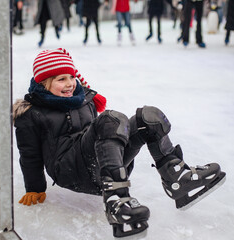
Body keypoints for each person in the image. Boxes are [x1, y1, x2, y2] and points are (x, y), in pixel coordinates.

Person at [13, 48, 226, 238]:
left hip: (100, 166)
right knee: (110, 119)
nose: (69, 83)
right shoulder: (32, 113)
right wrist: (35, 188)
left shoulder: (82, 97)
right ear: (44, 82)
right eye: (60, 79)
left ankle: (176, 178)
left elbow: (101, 134)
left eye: (71, 76)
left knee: (148, 118)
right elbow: (29, 155)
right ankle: (116, 198)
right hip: (70, 170)